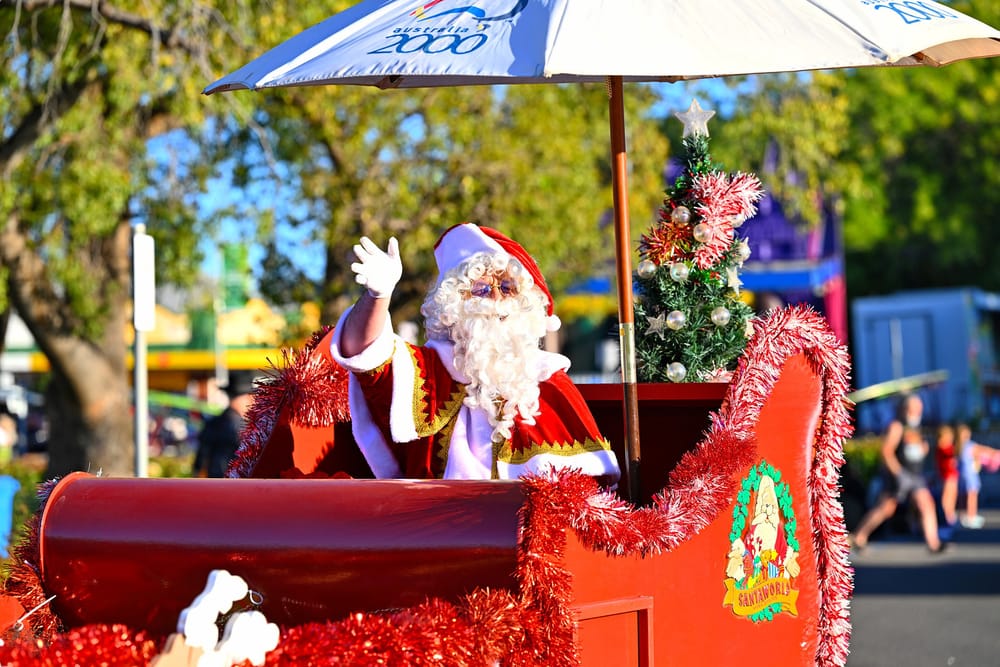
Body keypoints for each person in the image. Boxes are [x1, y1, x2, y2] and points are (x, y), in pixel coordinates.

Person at [328, 223, 621, 483]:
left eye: (507, 288)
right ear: (452, 306)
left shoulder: (548, 382)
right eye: (481, 288)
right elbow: (362, 352)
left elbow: (586, 492)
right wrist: (377, 297)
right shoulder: (428, 371)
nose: (496, 298)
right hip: (439, 530)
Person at [849, 394, 944, 553]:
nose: (917, 410)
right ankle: (860, 536)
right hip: (899, 476)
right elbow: (886, 451)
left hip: (915, 476)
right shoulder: (897, 426)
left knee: (926, 503)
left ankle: (933, 543)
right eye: (914, 407)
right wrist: (898, 473)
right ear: (905, 408)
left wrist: (924, 449)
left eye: (919, 407)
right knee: (886, 508)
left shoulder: (917, 428)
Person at [193, 371, 256, 478]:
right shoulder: (243, 426)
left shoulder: (213, 423)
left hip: (217, 485)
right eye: (250, 397)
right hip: (234, 486)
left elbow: (200, 463)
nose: (253, 401)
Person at [956, 423, 1000, 529]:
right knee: (972, 496)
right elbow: (984, 450)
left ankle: (963, 516)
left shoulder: (958, 445)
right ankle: (971, 516)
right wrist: (995, 453)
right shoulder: (969, 445)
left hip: (961, 475)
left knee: (963, 497)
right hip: (970, 475)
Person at [935, 423, 960, 530]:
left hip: (953, 474)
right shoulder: (941, 447)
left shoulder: (950, 446)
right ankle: (945, 515)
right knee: (947, 496)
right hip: (946, 475)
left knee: (953, 495)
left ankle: (950, 514)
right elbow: (948, 458)